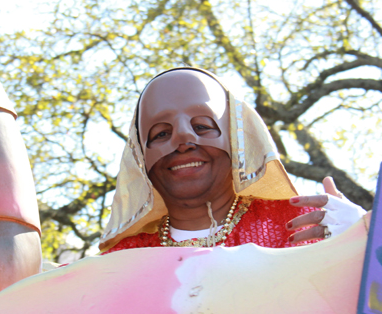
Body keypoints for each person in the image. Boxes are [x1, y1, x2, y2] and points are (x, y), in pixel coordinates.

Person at [99, 67, 364, 253]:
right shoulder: (120, 262)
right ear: (140, 159)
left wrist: (364, 242)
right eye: (161, 133)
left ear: (238, 142)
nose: (183, 138)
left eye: (202, 126)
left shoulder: (309, 227)